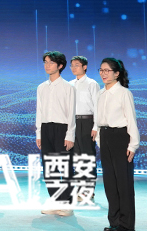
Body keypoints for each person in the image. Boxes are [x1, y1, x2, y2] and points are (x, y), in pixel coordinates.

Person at [95, 58, 139, 231]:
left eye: (107, 70)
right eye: (101, 70)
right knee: (110, 184)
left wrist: (133, 145)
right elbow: (98, 119)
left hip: (120, 138)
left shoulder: (124, 93)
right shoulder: (100, 93)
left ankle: (126, 226)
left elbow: (131, 120)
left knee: (123, 184)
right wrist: (99, 140)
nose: (103, 74)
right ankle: (114, 223)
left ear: (116, 73)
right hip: (105, 137)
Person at [36, 50, 76, 216]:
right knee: (49, 168)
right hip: (46, 128)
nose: (47, 65)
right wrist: (39, 133)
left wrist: (70, 135)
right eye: (45, 62)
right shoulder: (41, 87)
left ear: (60, 66)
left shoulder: (68, 87)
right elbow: (39, 111)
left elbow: (71, 113)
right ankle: (56, 200)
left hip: (62, 129)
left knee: (65, 167)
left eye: (51, 62)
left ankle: (67, 203)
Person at [68, 55, 99, 159]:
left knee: (87, 152)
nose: (73, 68)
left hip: (87, 122)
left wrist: (96, 127)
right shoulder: (69, 84)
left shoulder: (92, 84)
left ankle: (89, 170)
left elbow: (97, 106)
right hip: (73, 121)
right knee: (75, 152)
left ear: (84, 67)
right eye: (72, 66)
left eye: (76, 65)